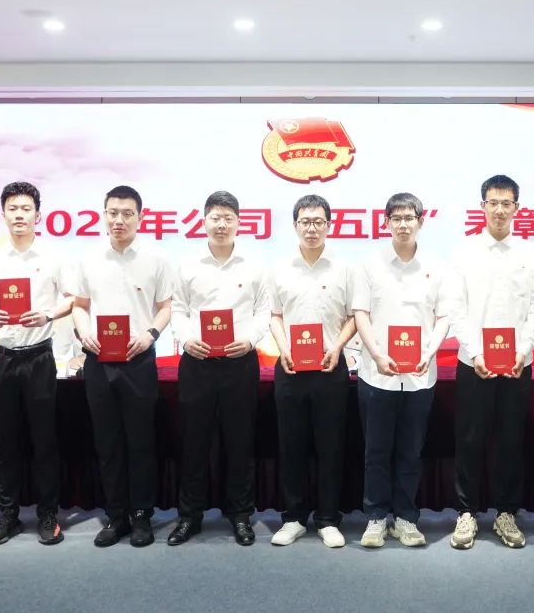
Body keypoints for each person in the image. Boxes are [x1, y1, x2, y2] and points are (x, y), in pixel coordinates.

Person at [0, 181, 73, 546]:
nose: (20, 215)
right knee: (4, 442)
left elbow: (72, 299)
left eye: (26, 209)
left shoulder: (53, 256)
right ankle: (7, 515)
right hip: (2, 359)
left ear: (38, 216)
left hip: (39, 357)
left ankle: (48, 515)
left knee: (45, 441)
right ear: (3, 215)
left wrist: (47, 314)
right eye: (13, 209)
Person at [447, 174, 534, 549]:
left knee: (510, 440)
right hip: (473, 362)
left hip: (517, 363)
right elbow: (456, 309)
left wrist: (524, 349)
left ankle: (506, 513)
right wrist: (475, 352)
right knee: (469, 439)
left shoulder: (531, 256)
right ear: (483, 207)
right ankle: (466, 512)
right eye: (494, 203)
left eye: (507, 203)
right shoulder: (464, 253)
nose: (500, 210)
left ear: (517, 208)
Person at [68, 185, 173, 547]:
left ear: (140, 218)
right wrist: (83, 332)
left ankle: (141, 515)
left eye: (127, 214)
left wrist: (150, 334)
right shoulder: (88, 258)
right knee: (107, 441)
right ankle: (116, 516)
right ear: (104, 215)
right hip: (99, 360)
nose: (119, 220)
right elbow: (79, 305)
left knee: (141, 441)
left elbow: (166, 307)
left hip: (138, 359)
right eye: (113, 213)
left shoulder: (156, 258)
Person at [166, 191, 270, 547]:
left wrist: (251, 340)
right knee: (194, 442)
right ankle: (189, 516)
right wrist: (186, 339)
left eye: (228, 218)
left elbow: (263, 311)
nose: (221, 224)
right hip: (197, 363)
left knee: (240, 442)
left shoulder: (254, 265)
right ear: (204, 221)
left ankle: (240, 515)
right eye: (215, 217)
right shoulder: (187, 265)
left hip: (239, 363)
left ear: (239, 222)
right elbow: (177, 310)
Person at [352, 192, 448, 548]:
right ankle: (376, 518)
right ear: (386, 222)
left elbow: (443, 316)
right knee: (376, 452)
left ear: (421, 222)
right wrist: (377, 354)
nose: (403, 224)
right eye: (396, 218)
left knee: (410, 452)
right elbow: (360, 313)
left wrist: (430, 352)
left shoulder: (436, 266)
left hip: (420, 375)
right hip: (377, 374)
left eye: (409, 218)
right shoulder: (370, 264)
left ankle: (406, 518)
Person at [267, 194, 357, 548]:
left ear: (329, 225)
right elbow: (274, 315)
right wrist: (283, 348)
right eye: (305, 222)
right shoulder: (279, 268)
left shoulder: (345, 269)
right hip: (290, 367)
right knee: (291, 446)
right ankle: (293, 518)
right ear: (295, 226)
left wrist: (338, 346)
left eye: (319, 222)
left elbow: (354, 316)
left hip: (330, 367)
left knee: (331, 446)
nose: (312, 228)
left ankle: (328, 519)